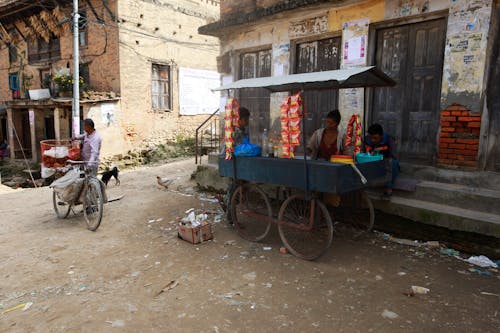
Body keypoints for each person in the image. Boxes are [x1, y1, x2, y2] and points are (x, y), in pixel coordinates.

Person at [364, 123, 398, 199]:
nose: (373, 140)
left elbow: (394, 156)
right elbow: (365, 153)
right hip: (372, 162)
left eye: (375, 138)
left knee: (394, 163)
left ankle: (388, 189)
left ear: (382, 135)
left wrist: (380, 154)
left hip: (385, 162)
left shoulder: (390, 139)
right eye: (371, 137)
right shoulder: (367, 139)